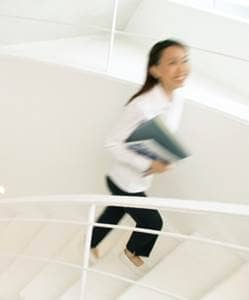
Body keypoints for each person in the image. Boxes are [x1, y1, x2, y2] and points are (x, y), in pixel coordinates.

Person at [91, 39, 190, 267]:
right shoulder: (140, 105)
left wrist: (166, 156)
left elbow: (162, 135)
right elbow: (112, 143)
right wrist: (148, 165)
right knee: (153, 223)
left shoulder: (176, 98)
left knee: (113, 214)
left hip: (137, 180)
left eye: (185, 61)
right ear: (155, 70)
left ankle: (89, 242)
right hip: (125, 181)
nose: (182, 68)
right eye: (173, 62)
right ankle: (130, 252)